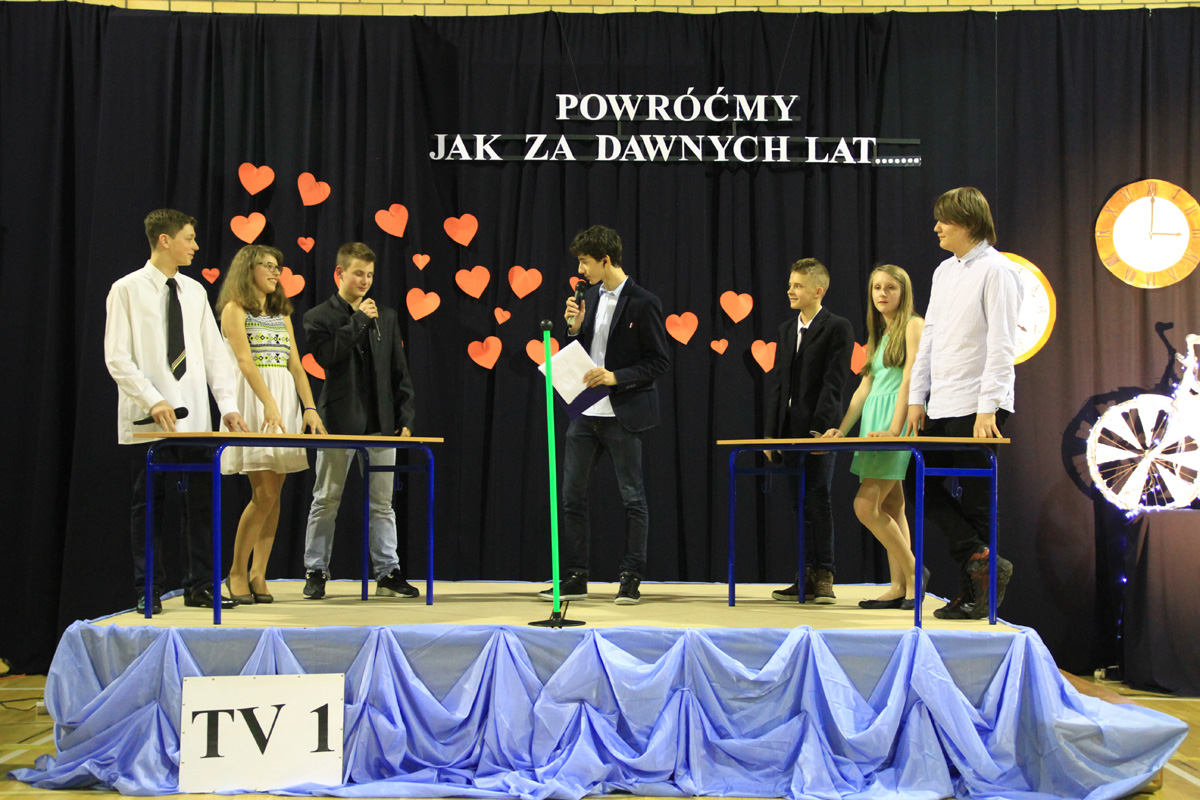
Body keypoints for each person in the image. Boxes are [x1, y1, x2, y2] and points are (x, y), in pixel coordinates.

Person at [104, 209, 249, 614]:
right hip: (150, 418)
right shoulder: (127, 289)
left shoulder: (194, 290)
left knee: (201, 502)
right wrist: (152, 398)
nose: (195, 246)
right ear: (165, 240)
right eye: (189, 238)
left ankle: (200, 584)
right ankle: (148, 588)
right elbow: (117, 357)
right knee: (149, 504)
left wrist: (228, 405)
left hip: (195, 417)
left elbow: (214, 354)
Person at [906, 186, 1022, 620]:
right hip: (942, 401)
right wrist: (917, 397)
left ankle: (975, 597)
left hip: (978, 402)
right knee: (916, 480)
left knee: (976, 501)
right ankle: (980, 559)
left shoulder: (998, 270)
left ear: (969, 224)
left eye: (945, 220)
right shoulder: (944, 271)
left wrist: (988, 406)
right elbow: (931, 337)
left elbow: (1002, 343)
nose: (936, 227)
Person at [538, 225, 670, 605]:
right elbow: (585, 350)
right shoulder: (590, 297)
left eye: (585, 262)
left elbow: (658, 361)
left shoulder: (644, 302)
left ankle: (630, 577)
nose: (580, 270)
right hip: (585, 410)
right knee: (571, 497)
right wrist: (574, 329)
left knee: (632, 498)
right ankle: (576, 576)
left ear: (605, 260)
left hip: (622, 412)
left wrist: (616, 377)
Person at [301, 242, 419, 600]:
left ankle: (388, 571)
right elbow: (327, 357)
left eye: (369, 274)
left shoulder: (387, 315)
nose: (365, 281)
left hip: (381, 423)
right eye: (358, 274)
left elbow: (399, 370)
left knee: (383, 504)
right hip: (338, 422)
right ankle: (316, 570)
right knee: (326, 499)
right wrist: (358, 321)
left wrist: (406, 415)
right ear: (340, 273)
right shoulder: (319, 316)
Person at [216, 245, 327, 604]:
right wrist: (268, 403)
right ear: (248, 269)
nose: (275, 272)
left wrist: (309, 407)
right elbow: (244, 362)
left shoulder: (281, 313)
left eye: (277, 266)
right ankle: (236, 571)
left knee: (274, 494)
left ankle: (258, 573)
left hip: (282, 401)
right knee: (262, 492)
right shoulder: (235, 309)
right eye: (267, 265)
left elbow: (295, 364)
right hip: (255, 400)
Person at [822, 265, 925, 609]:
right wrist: (842, 428)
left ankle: (914, 572)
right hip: (873, 421)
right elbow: (864, 387)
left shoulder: (913, 325)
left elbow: (910, 378)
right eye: (877, 287)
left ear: (903, 291)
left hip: (896, 421)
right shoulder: (878, 333)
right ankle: (900, 587)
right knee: (893, 506)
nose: (882, 293)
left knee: (865, 506)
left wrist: (895, 430)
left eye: (890, 287)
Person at [764, 258, 854, 604]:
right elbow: (778, 383)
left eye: (798, 286)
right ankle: (804, 574)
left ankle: (825, 574)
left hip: (817, 430)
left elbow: (834, 383)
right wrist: (771, 434)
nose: (790, 291)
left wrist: (820, 429)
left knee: (818, 497)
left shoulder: (837, 327)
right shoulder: (786, 330)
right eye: (790, 284)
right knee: (797, 502)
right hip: (788, 430)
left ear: (818, 291)